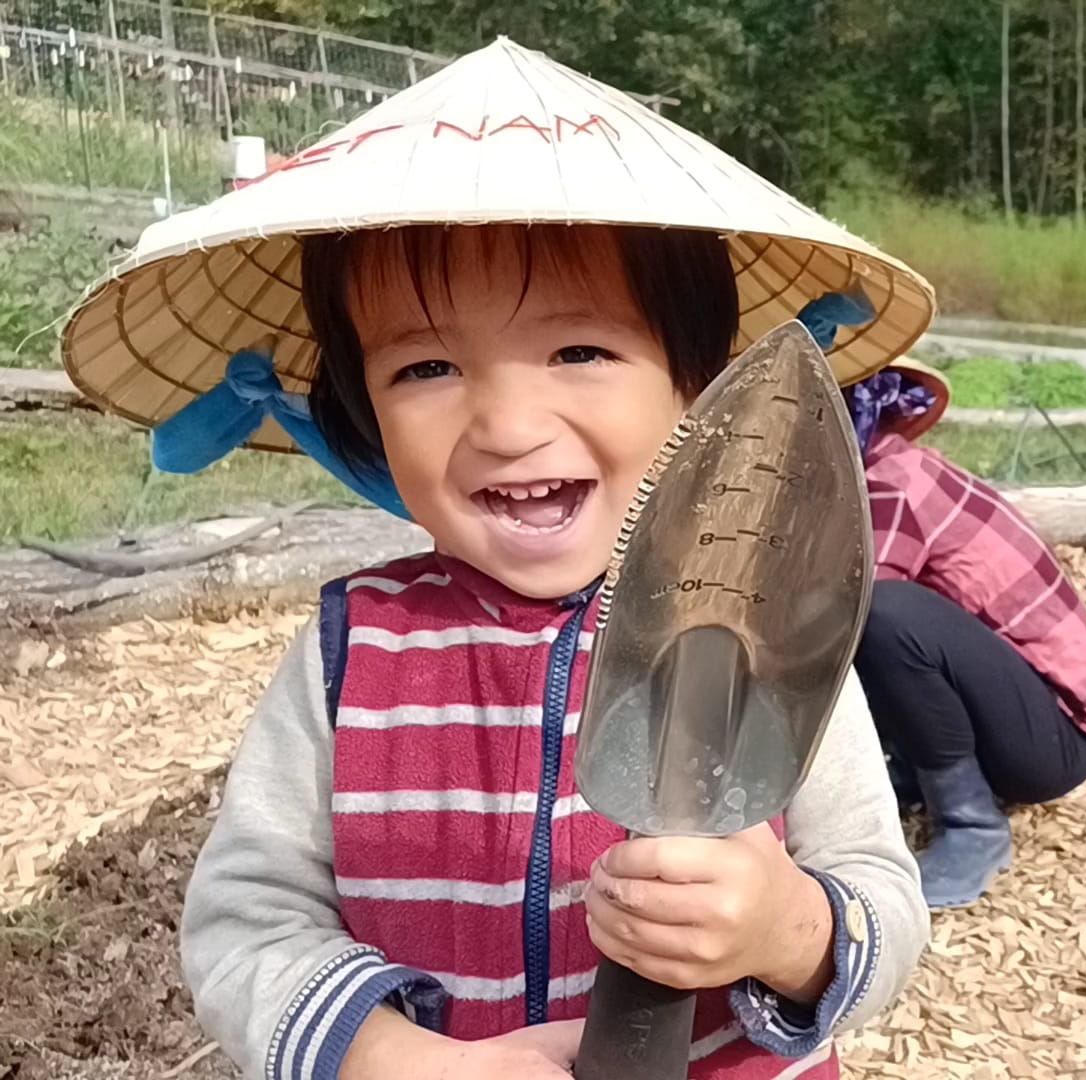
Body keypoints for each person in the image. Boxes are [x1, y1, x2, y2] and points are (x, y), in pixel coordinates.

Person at [59, 39, 935, 1080]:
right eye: (427, 366)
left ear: (697, 392)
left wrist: (790, 934)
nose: (510, 424)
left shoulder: (750, 634)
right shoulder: (354, 656)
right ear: (363, 417)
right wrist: (397, 1059)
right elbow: (248, 921)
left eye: (581, 352)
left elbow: (879, 892)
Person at [841, 360, 1086, 910]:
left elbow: (850, 630)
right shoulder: (887, 470)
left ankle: (971, 823)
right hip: (1020, 718)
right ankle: (912, 776)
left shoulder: (887, 486)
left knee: (878, 614)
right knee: (872, 617)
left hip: (1053, 742)